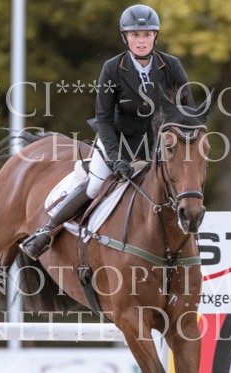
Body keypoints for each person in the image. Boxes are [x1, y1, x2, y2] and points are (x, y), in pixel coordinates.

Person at [19, 3, 195, 260]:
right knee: (94, 185)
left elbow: (187, 112)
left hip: (158, 145)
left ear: (155, 36)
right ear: (126, 37)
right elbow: (104, 118)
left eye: (146, 34)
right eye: (135, 35)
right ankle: (47, 231)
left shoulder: (171, 65)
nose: (141, 40)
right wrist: (115, 158)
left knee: (181, 188)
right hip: (118, 139)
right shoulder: (113, 68)